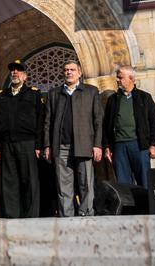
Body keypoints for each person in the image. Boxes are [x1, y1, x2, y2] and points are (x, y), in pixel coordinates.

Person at [43, 60, 102, 217]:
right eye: (66, 70)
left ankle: (86, 214)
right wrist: (47, 145)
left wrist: (98, 145)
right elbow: (48, 122)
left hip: (84, 144)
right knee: (63, 185)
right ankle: (66, 216)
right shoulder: (54, 93)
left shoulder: (91, 91)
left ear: (79, 73)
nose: (68, 72)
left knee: (86, 183)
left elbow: (98, 120)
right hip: (61, 145)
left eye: (72, 70)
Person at [0, 59, 44, 218]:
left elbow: (41, 121)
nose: (15, 72)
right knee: (10, 181)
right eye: (12, 70)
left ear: (25, 76)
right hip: (7, 144)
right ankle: (12, 215)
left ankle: (31, 215)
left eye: (18, 70)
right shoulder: (1, 95)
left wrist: (39, 145)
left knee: (29, 180)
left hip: (28, 143)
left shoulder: (34, 94)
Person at [102, 65, 155, 187]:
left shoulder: (144, 97)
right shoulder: (112, 100)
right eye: (117, 77)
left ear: (131, 78)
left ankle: (145, 200)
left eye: (120, 77)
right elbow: (106, 125)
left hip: (139, 145)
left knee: (144, 181)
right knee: (123, 183)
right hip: (119, 146)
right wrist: (107, 146)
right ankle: (129, 201)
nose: (117, 80)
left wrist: (153, 144)